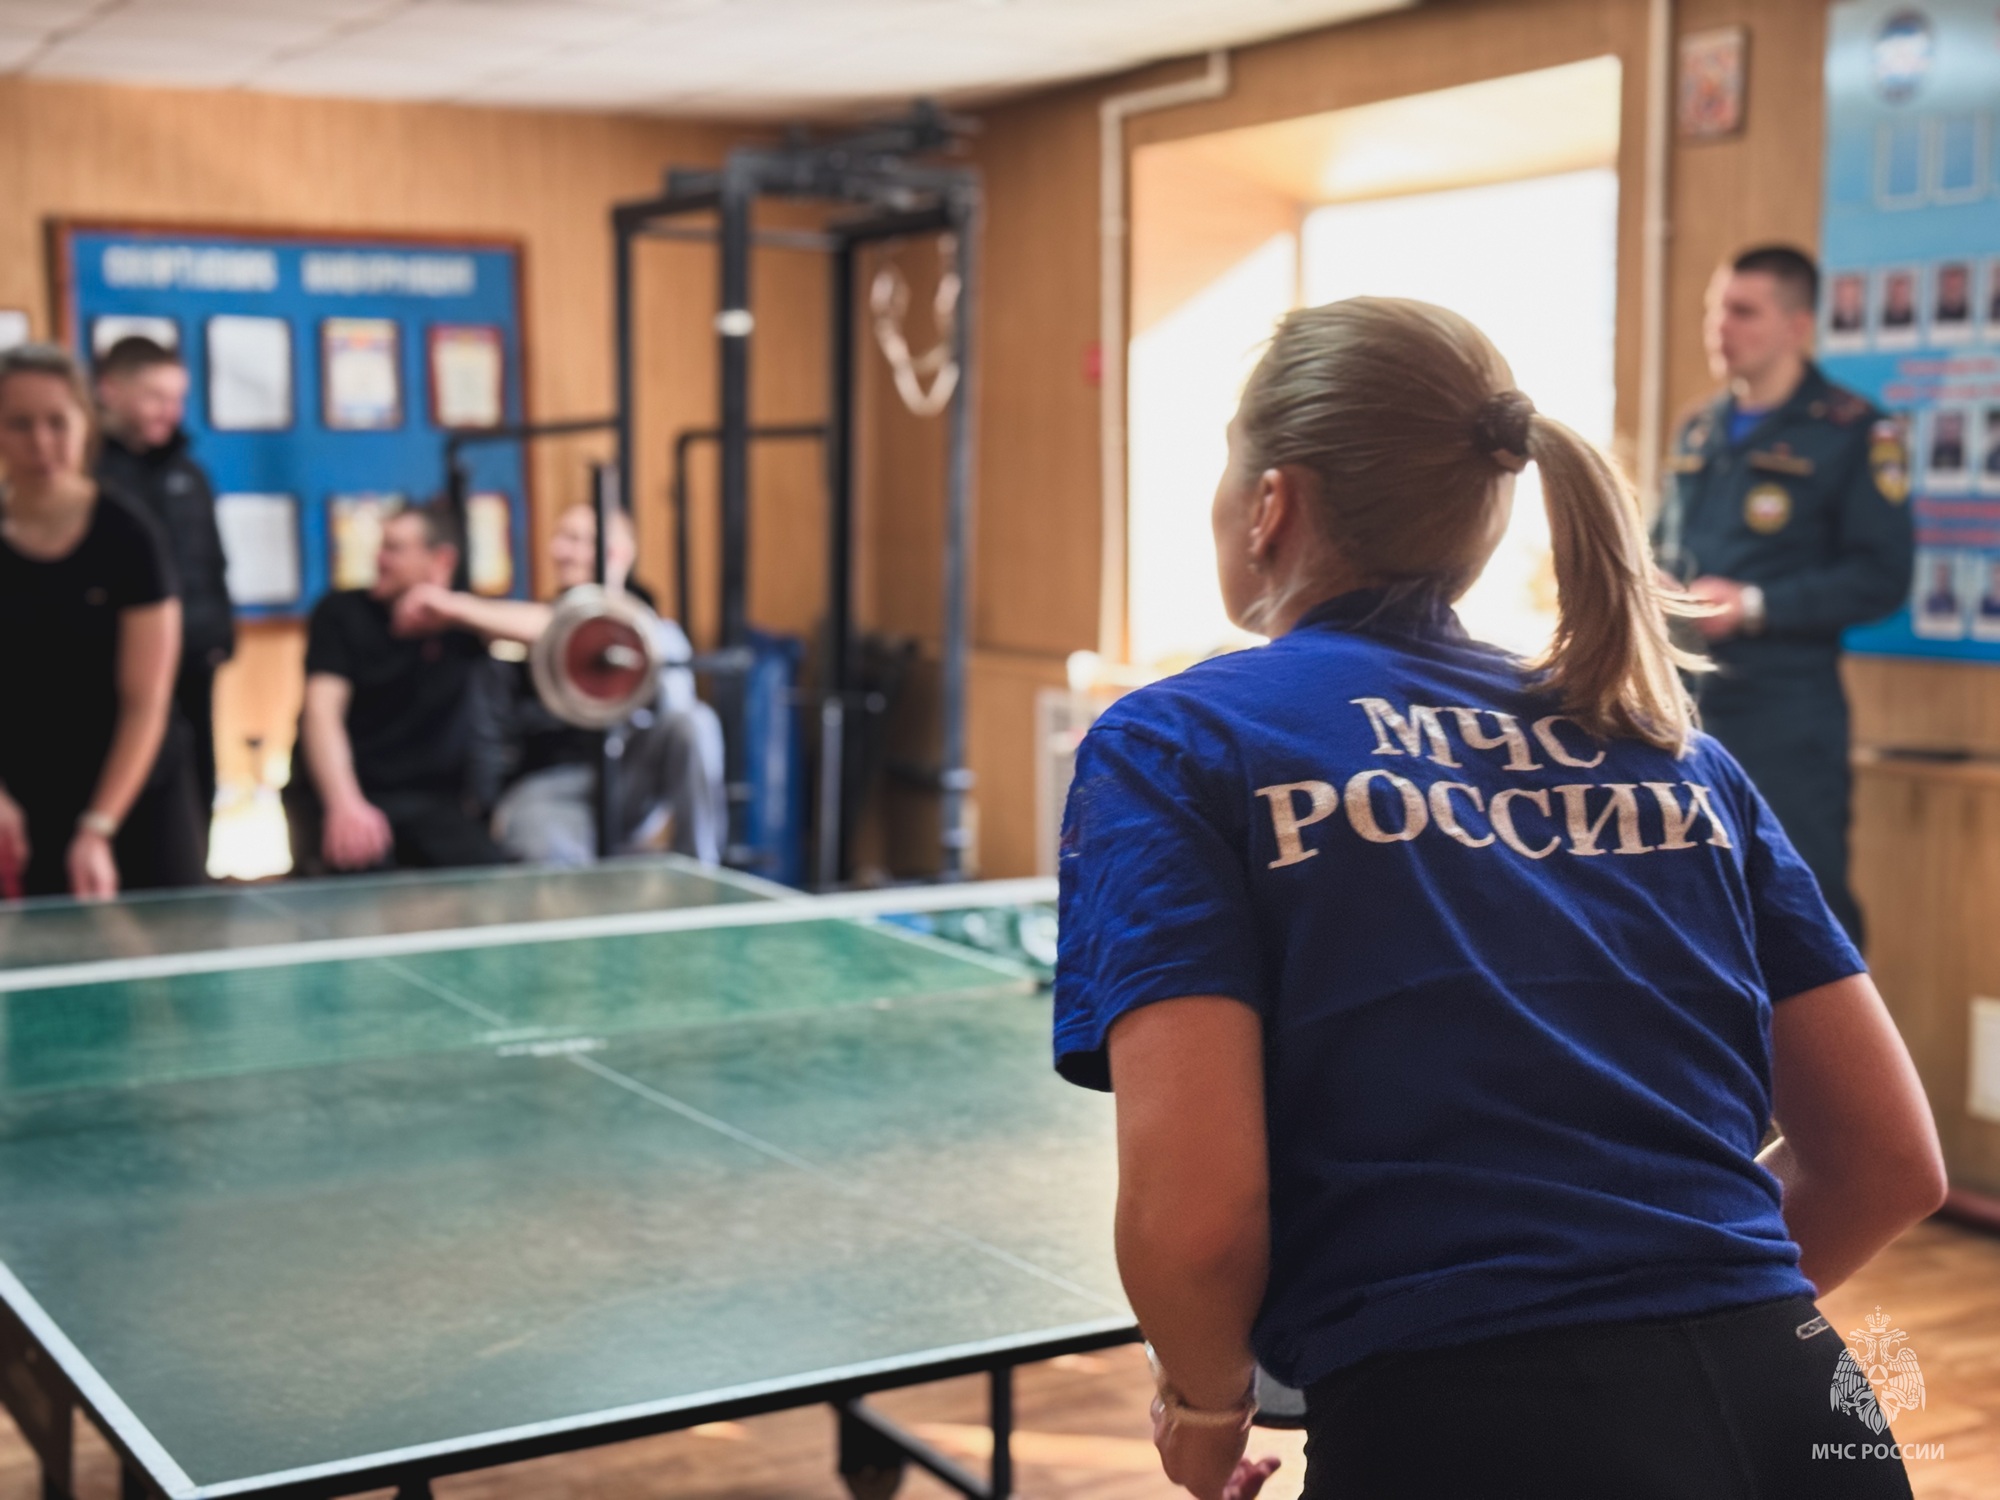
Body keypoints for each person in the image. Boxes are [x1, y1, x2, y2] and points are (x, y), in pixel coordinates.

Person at [1054, 297, 1946, 1500]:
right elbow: (1887, 1163)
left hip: (1473, 1435)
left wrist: (1207, 1404)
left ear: (1270, 504)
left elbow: (1197, 1218)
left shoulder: (1178, 744)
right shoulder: (1668, 748)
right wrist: (1675, 1311)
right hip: (1803, 1417)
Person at [1654, 246, 1913, 944]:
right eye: (1715, 309)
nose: (1720, 326)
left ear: (1798, 326)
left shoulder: (1856, 432)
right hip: (1686, 706)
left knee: (1803, 913)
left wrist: (1754, 605)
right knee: (1694, 904)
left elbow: (1882, 577)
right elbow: (1663, 544)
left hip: (1785, 717)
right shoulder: (1699, 426)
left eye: (1743, 311)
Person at [393, 501, 726, 865]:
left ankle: (701, 872)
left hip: (629, 778)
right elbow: (552, 629)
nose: (562, 550)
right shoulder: (519, 633)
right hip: (550, 789)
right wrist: (489, 805)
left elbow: (675, 713)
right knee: (551, 855)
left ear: (618, 553)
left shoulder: (657, 633)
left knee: (697, 722)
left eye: (579, 539)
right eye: (561, 537)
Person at [0, 343, 204, 898]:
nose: (41, 443)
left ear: (85, 424)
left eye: (57, 423)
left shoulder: (129, 535)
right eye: (20, 424)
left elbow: (146, 701)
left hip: (135, 785)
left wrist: (97, 828)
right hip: (25, 790)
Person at [285, 502, 506, 874]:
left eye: (395, 548)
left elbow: (552, 629)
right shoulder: (340, 612)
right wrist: (344, 804)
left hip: (430, 805)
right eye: (381, 546)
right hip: (352, 796)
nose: (380, 559)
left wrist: (455, 608)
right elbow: (321, 713)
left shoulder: (460, 622)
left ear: (441, 560)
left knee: (490, 879)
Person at [94, 335, 234, 863]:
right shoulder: (91, 477)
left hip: (193, 666)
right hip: (115, 676)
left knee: (197, 793)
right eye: (155, 396)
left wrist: (219, 639)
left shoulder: (189, 475)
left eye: (176, 398)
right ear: (110, 391)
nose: (169, 411)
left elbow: (212, 564)